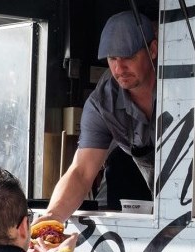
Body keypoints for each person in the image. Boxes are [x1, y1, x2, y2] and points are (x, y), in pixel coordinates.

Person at [40, 11, 157, 223]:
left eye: (129, 57)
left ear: (153, 50)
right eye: (112, 59)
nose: (119, 68)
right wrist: (53, 217)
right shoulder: (102, 104)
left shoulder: (188, 82)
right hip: (141, 190)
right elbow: (82, 171)